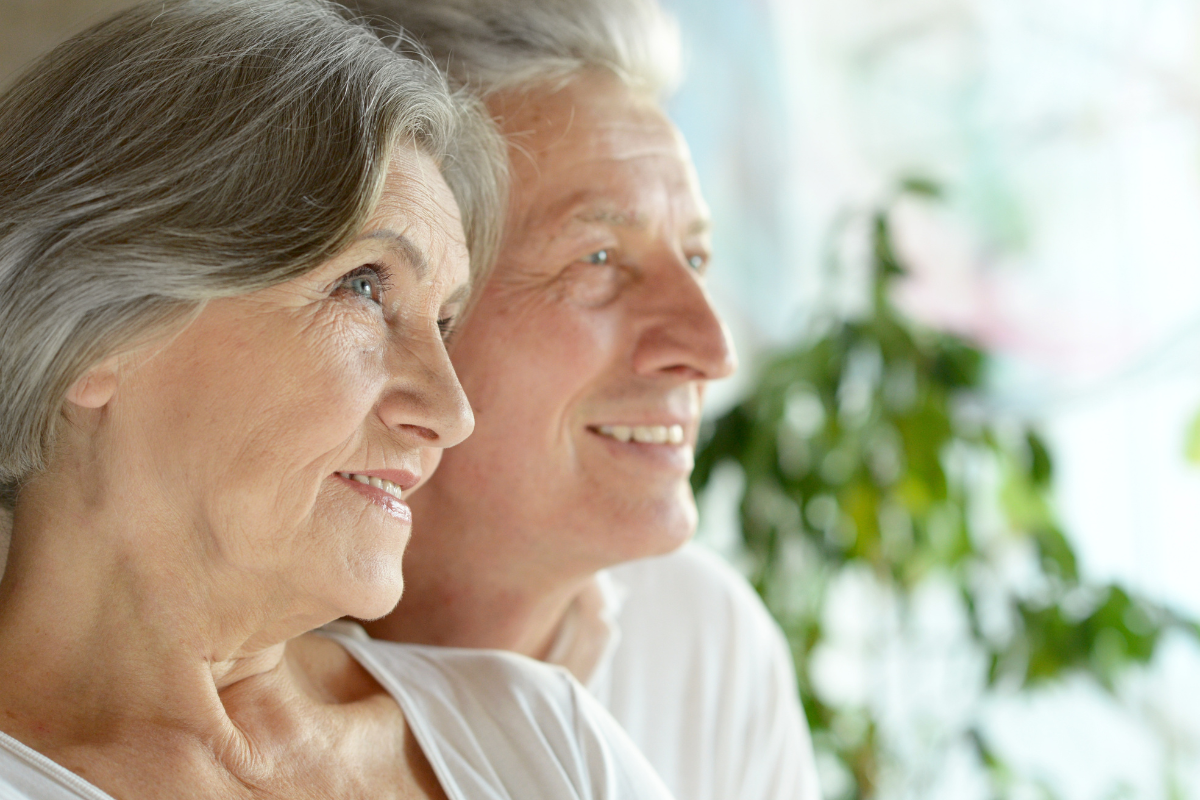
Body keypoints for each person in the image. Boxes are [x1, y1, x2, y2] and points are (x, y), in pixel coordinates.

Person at [0, 2, 676, 798]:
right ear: (95, 327)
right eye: (364, 286)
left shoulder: (539, 734)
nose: (451, 412)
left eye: (445, 322)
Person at [349, 1, 822, 797]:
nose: (711, 351)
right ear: (390, 302)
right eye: (599, 258)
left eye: (696, 257)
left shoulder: (706, 640)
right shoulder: (194, 701)